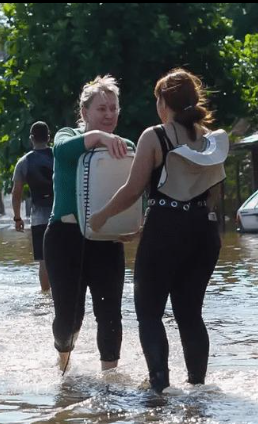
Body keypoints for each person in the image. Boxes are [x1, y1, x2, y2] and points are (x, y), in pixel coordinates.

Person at [90, 68, 222, 393]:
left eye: (157, 100)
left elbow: (132, 190)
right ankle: (198, 389)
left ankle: (159, 389)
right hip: (204, 233)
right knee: (191, 314)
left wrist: (101, 216)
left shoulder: (154, 136)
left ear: (165, 102)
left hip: (165, 230)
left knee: (149, 314)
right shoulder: (210, 140)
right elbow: (216, 196)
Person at [43, 75, 134, 372]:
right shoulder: (65, 135)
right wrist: (99, 138)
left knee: (110, 314)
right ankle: (63, 361)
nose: (109, 115)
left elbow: (136, 192)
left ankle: (110, 382)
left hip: (106, 239)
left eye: (113, 109)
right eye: (101, 109)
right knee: (69, 318)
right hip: (64, 238)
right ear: (84, 113)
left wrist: (133, 225)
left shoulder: (126, 146)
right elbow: (62, 152)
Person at [12, 121, 53, 292]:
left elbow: (16, 192)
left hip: (38, 218)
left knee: (44, 260)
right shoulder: (59, 156)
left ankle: (45, 298)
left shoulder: (24, 162)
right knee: (66, 259)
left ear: (31, 138)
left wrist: (17, 217)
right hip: (63, 214)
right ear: (49, 137)